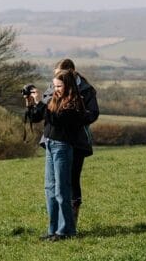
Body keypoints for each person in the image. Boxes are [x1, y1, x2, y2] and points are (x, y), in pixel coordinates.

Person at [26, 69, 89, 240]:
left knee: (62, 190)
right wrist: (31, 103)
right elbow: (37, 117)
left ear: (68, 85)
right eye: (54, 86)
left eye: (59, 86)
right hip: (50, 145)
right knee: (50, 189)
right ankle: (53, 230)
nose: (56, 89)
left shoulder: (74, 103)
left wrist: (41, 103)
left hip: (63, 147)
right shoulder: (55, 99)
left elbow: (57, 120)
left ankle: (67, 230)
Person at [37, 59, 99, 227]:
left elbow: (93, 113)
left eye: (59, 73)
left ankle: (71, 220)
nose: (56, 77)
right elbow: (44, 111)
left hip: (77, 140)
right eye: (55, 74)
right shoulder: (54, 87)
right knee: (54, 183)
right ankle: (58, 225)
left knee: (71, 179)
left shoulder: (86, 89)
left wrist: (74, 119)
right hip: (54, 138)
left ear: (71, 72)